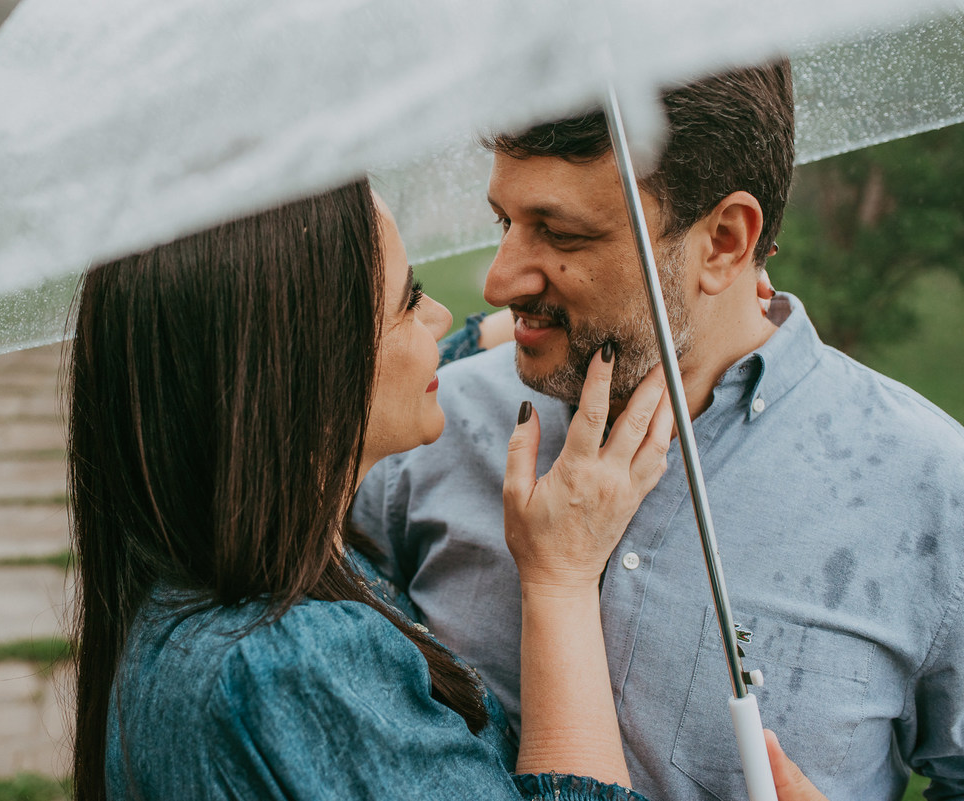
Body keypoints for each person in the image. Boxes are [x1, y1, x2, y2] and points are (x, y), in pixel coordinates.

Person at [354, 62, 964, 800]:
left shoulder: (932, 489)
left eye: (561, 233)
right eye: (504, 222)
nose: (499, 279)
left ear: (725, 242)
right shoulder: (424, 427)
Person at [66, 179, 689, 800]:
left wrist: (551, 323)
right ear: (311, 361)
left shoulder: (195, 573)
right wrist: (561, 577)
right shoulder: (297, 670)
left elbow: (410, 362)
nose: (439, 317)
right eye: (410, 299)